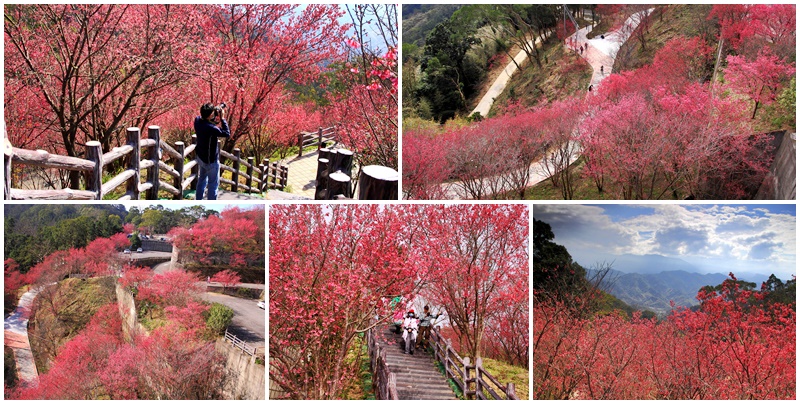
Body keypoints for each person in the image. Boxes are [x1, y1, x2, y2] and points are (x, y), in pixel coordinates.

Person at [194, 103, 230, 200]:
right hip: (211, 161)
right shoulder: (211, 128)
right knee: (213, 185)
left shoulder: (197, 120)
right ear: (210, 115)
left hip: (201, 158)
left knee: (201, 180)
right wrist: (222, 118)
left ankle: (198, 200)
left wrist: (213, 115)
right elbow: (226, 133)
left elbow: (208, 122)